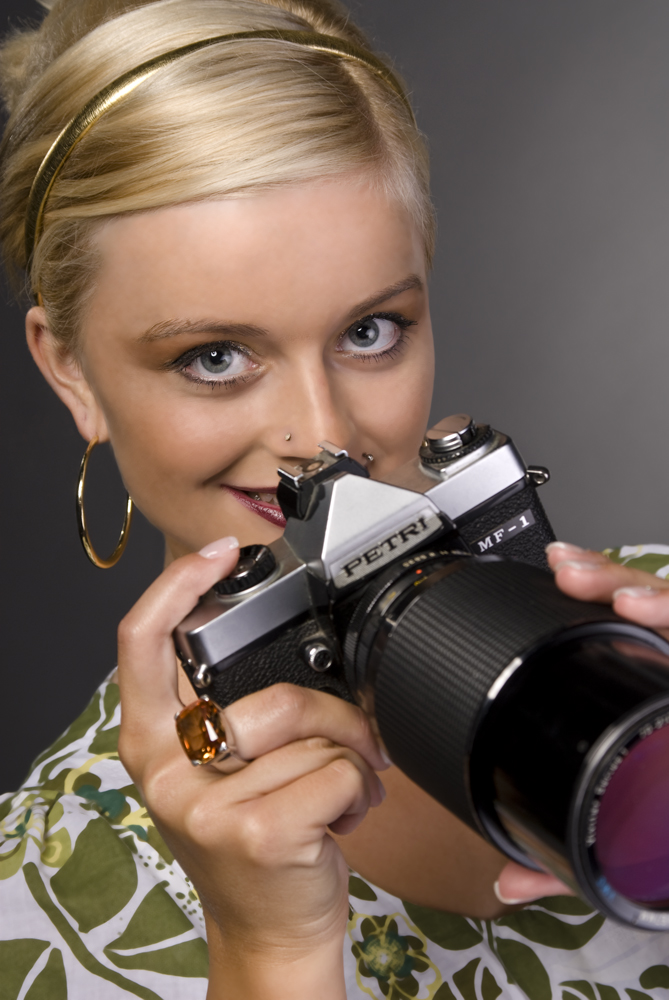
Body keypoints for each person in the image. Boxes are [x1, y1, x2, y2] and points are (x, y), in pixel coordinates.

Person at [0, 1, 668, 997]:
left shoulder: (653, 623)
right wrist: (272, 954)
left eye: (370, 332)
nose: (323, 435)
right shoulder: (52, 900)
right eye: (214, 357)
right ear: (73, 374)